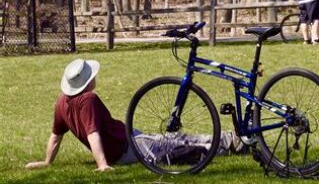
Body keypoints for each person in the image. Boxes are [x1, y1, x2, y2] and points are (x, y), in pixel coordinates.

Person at [25, 59, 242, 172]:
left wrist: (46, 162)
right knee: (175, 145)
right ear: (87, 82)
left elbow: (55, 137)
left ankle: (228, 139)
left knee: (169, 140)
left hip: (129, 138)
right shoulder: (88, 100)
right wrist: (102, 165)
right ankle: (229, 142)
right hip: (127, 147)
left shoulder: (62, 102)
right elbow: (93, 134)